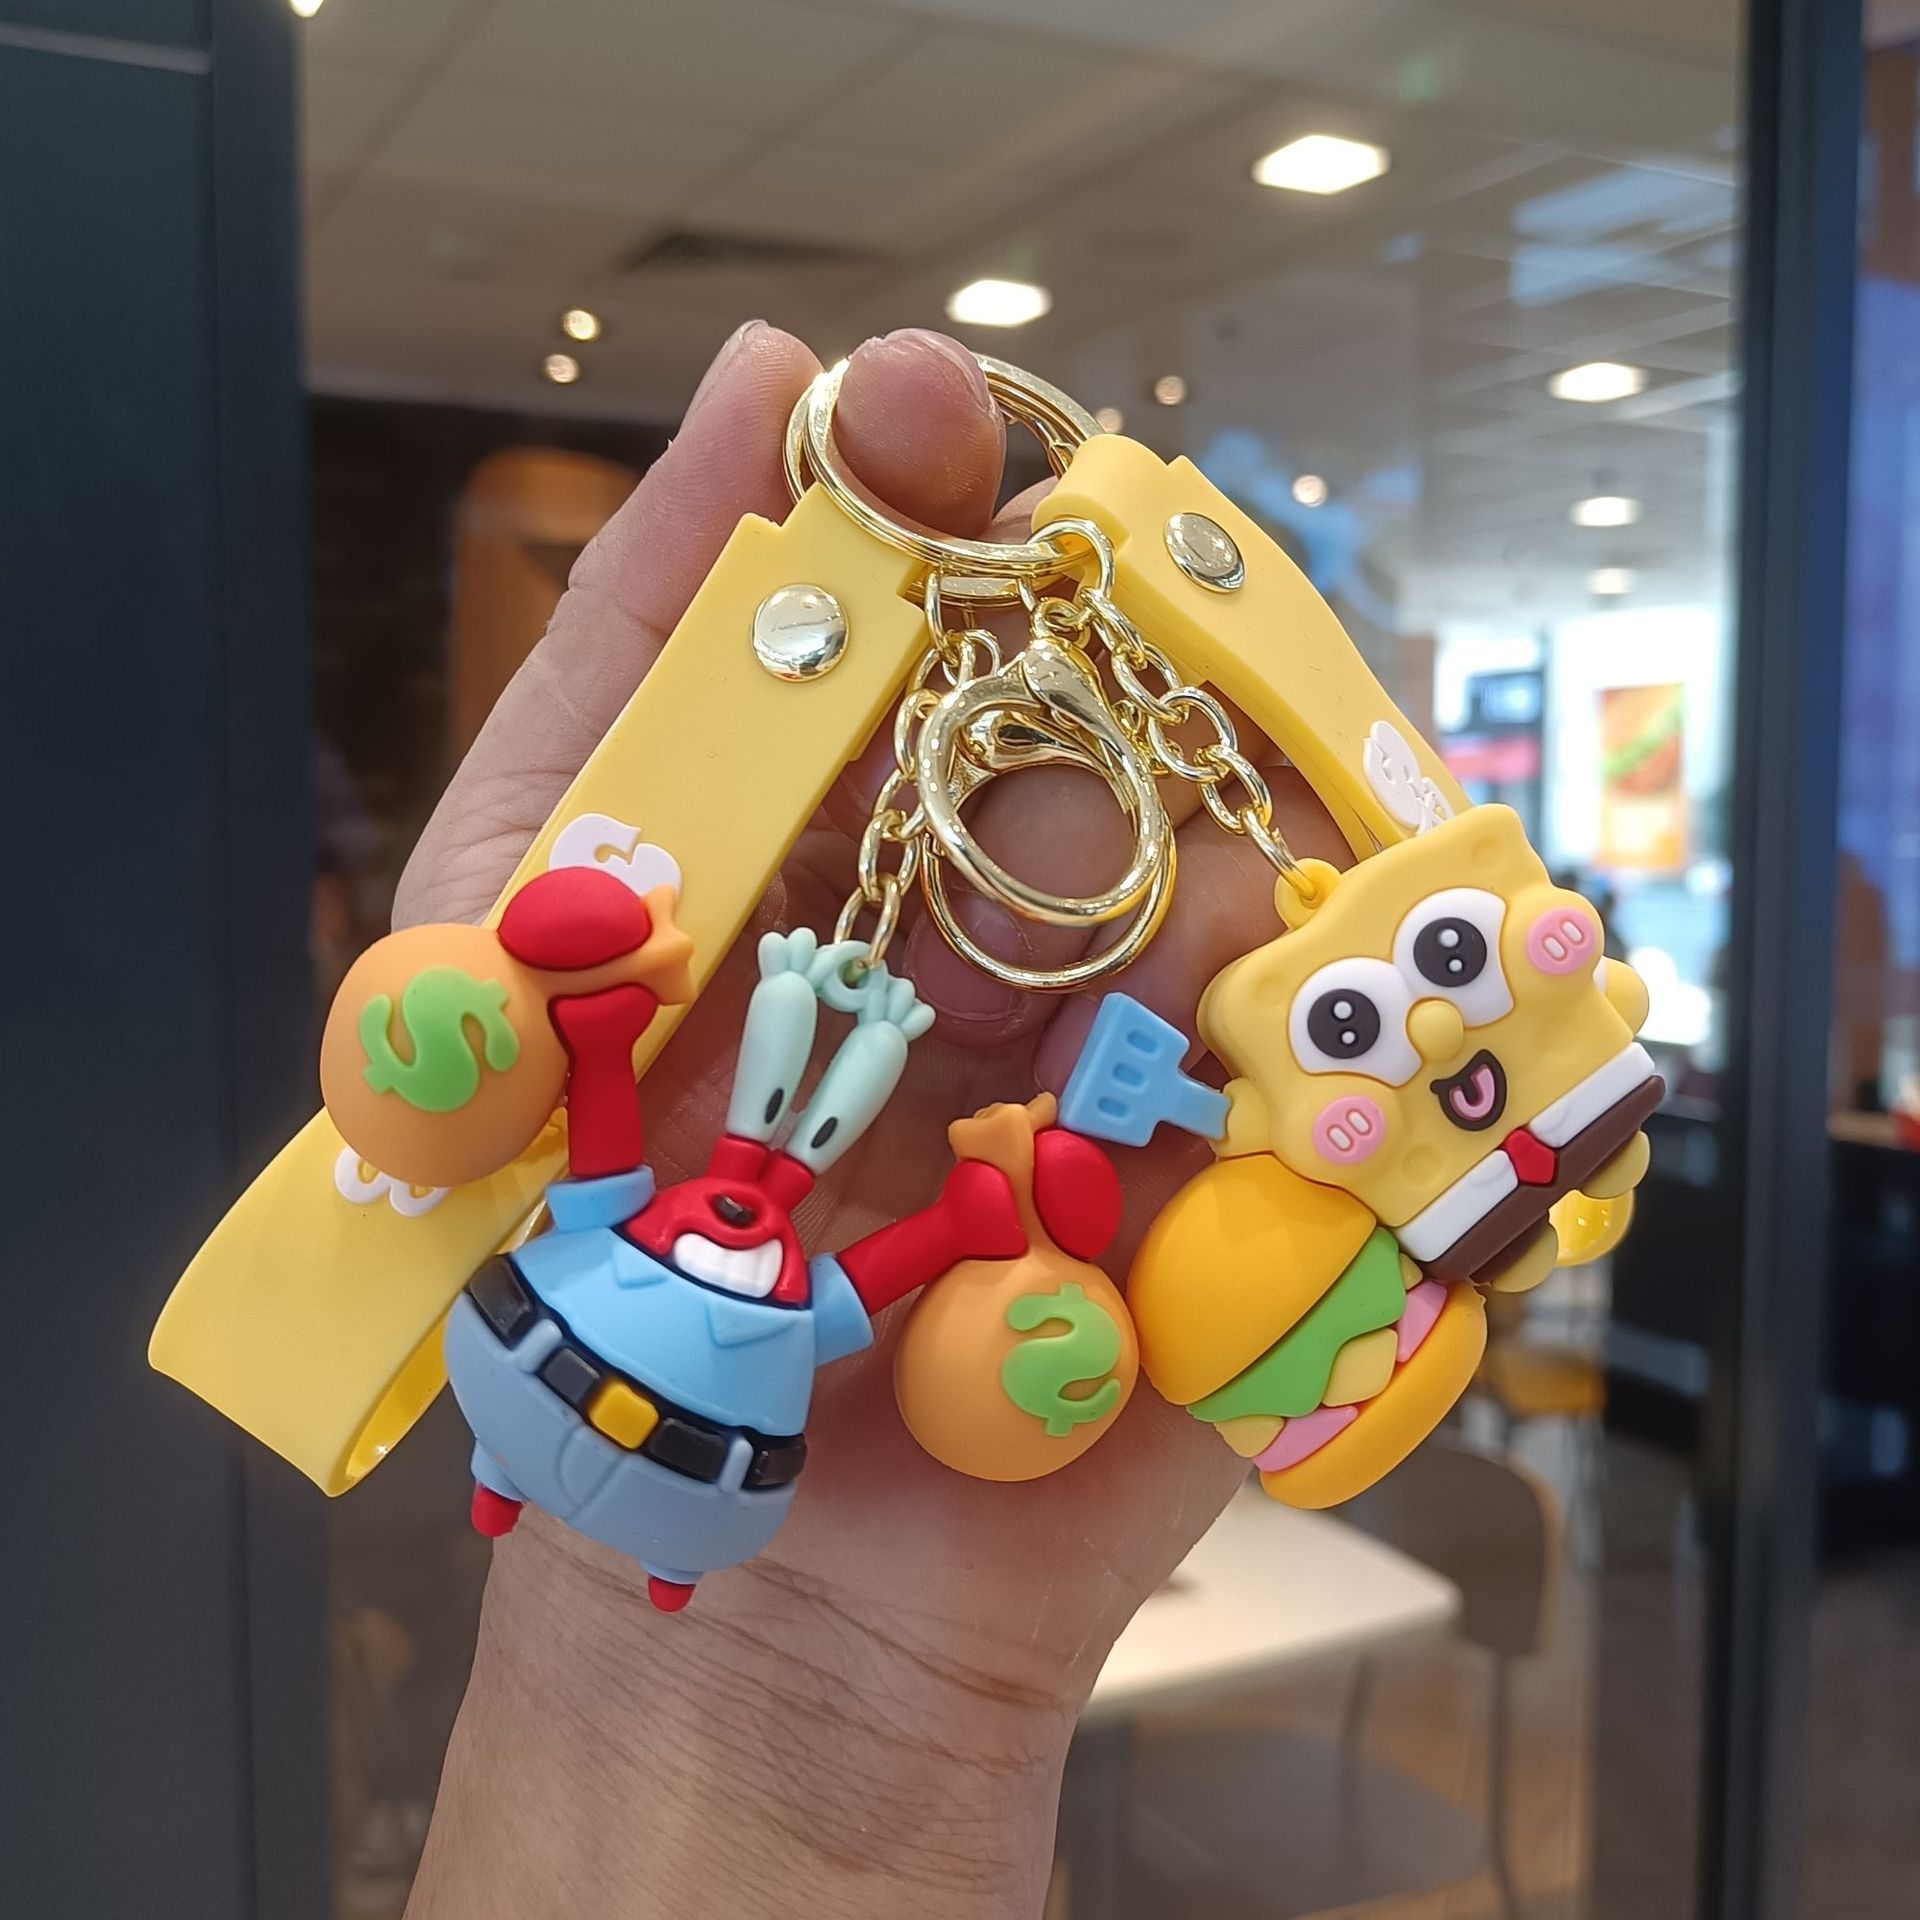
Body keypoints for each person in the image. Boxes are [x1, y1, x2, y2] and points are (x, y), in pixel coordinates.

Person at [398, 323, 1348, 1920]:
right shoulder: (736, 1278)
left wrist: (611, 1041)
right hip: (626, 1428)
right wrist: (596, 1042)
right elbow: (782, 1236)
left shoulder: (658, 1243)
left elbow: (733, 1204)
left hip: (637, 1420)